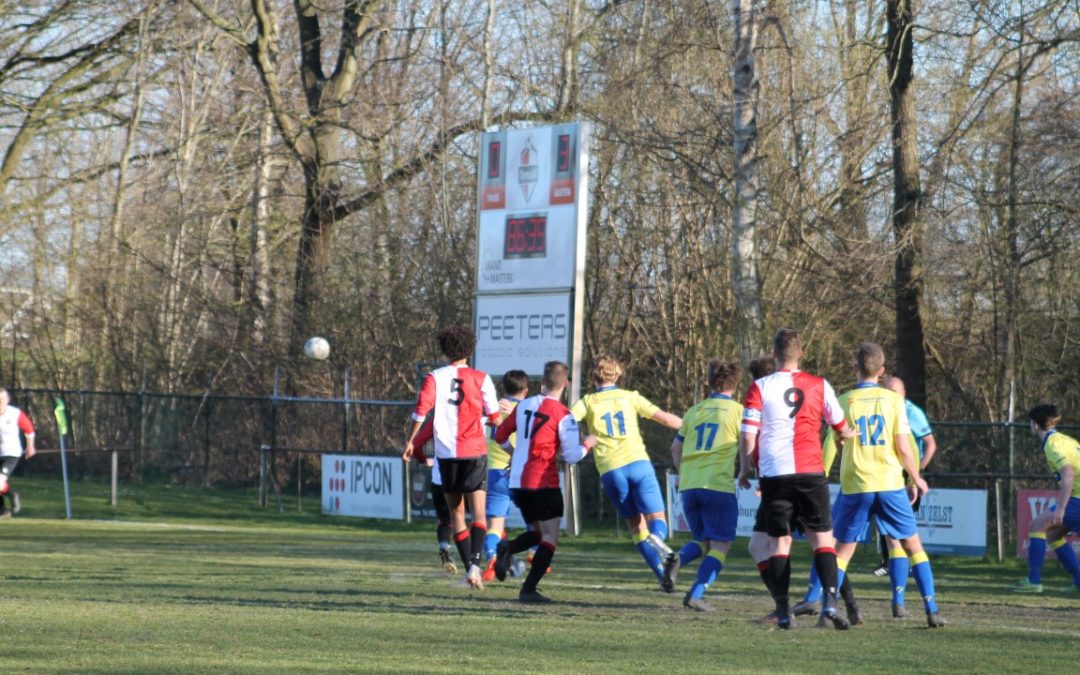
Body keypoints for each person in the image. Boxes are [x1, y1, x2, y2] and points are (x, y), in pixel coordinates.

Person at [736, 329, 854, 630]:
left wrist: (746, 467)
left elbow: (748, 433)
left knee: (780, 542)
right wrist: (847, 434)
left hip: (775, 473)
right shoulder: (820, 385)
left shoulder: (759, 387)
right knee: (822, 539)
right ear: (801, 353)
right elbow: (839, 424)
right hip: (811, 470)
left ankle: (784, 611)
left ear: (773, 354)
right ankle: (829, 602)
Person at [824, 343, 945, 628]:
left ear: (855, 368)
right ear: (881, 371)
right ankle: (932, 609)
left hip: (856, 484)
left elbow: (838, 443)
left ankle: (828, 609)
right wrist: (916, 478)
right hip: (890, 483)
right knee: (912, 545)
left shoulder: (843, 401)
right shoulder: (893, 401)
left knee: (842, 552)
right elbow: (904, 446)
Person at [571, 354, 682, 587]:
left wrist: (583, 439)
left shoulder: (587, 402)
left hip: (611, 470)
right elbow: (667, 420)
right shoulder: (631, 397)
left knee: (636, 527)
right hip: (638, 463)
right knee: (657, 519)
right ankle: (659, 540)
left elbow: (564, 422)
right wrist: (692, 424)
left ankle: (662, 576)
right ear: (618, 374)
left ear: (593, 376)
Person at [403, 325, 500, 589]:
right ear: (471, 349)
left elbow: (420, 412)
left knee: (456, 515)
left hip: (446, 456)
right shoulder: (482, 378)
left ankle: (470, 568)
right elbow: (494, 418)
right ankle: (476, 567)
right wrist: (495, 416)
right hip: (475, 453)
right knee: (479, 514)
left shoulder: (434, 377)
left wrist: (411, 442)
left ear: (445, 350)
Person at [493, 361, 596, 602]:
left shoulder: (524, 405)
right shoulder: (564, 415)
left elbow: (500, 436)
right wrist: (588, 444)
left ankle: (507, 548)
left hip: (518, 482)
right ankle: (528, 590)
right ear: (566, 384)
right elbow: (571, 456)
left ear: (542, 382)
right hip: (543, 482)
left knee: (538, 533)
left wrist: (514, 454)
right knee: (550, 537)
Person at [663, 360, 742, 611]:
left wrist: (685, 474)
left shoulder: (693, 411)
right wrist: (750, 469)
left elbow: (676, 448)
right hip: (717, 486)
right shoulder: (739, 412)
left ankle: (679, 558)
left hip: (689, 486)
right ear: (736, 384)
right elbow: (751, 444)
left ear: (710, 382)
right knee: (721, 546)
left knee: (702, 541)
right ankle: (696, 594)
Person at [871, 376, 938, 590]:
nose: (890, 396)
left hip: (906, 479)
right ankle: (891, 567)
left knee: (904, 533)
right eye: (887, 391)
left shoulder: (912, 413)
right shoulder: (880, 410)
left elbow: (930, 444)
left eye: (894, 393)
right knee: (888, 530)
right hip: (885, 476)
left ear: (903, 394)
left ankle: (908, 581)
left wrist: (916, 473)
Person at [1012, 404, 1080, 593]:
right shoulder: (1065, 439)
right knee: (1053, 534)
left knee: (1036, 526)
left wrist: (1060, 507)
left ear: (1034, 425)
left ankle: (1034, 582)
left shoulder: (1052, 444)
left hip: (1078, 499)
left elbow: (1068, 474)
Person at [743, 356, 783, 624]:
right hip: (779, 480)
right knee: (759, 545)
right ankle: (785, 605)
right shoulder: (781, 402)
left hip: (783, 481)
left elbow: (750, 436)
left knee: (773, 545)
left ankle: (787, 606)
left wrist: (748, 470)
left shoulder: (762, 401)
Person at [482, 370, 529, 581]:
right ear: (525, 391)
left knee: (495, 526)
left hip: (495, 472)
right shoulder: (527, 410)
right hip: (521, 472)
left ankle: (491, 558)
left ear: (502, 389)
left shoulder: (492, 409)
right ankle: (535, 556)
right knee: (535, 522)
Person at [406, 416, 458, 574]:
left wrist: (423, 460)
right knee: (477, 520)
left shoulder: (438, 419)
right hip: (466, 477)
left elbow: (416, 444)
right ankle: (477, 562)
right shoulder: (473, 415)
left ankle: (444, 547)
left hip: (439, 478)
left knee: (445, 521)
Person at [0, 388, 35, 518]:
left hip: (11, 453)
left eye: (2, 399)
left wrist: (30, 446)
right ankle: (2, 511)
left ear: (7, 400)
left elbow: (29, 429)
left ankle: (12, 495)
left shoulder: (15, 413)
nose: (0, 402)